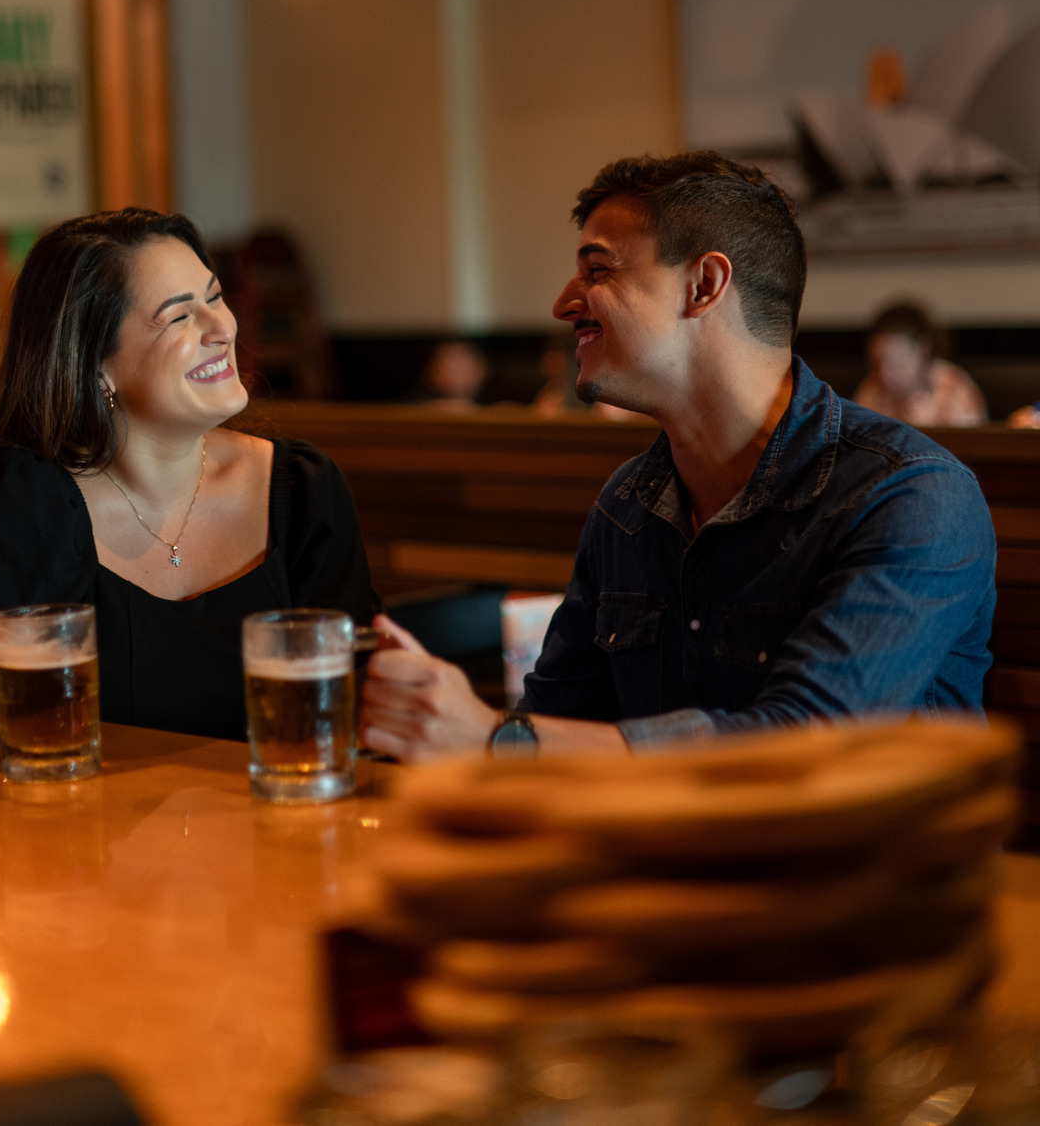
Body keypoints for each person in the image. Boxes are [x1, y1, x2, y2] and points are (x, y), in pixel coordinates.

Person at [360, 153, 996, 761]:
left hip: (868, 873)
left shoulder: (911, 496)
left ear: (704, 285)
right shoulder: (627, 507)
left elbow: (805, 748)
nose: (563, 303)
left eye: (598, 269)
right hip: (663, 867)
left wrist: (498, 744)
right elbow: (561, 722)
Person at [0, 209, 376, 750]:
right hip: (76, 830)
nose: (223, 328)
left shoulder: (304, 493)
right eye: (178, 317)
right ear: (97, 365)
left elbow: (356, 712)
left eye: (215, 298)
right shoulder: (27, 508)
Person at [854, 302, 987, 428]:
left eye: (898, 363)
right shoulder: (872, 388)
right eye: (877, 364)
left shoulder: (953, 388)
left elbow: (968, 446)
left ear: (923, 349)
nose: (885, 375)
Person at [416, 339, 488, 410]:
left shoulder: (495, 414)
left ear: (482, 369)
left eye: (463, 362)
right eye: (446, 362)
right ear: (431, 371)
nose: (457, 367)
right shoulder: (412, 413)